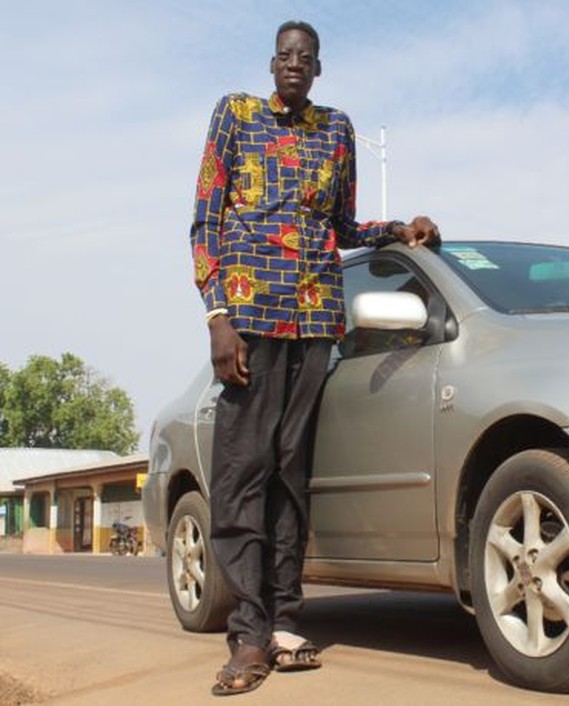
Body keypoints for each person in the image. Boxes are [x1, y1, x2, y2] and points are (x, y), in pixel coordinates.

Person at [189, 20, 439, 696]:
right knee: (243, 474)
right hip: (249, 319)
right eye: (284, 55)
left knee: (290, 474)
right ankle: (247, 635)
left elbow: (345, 227)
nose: (294, 65)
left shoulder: (336, 129)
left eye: (306, 58)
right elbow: (205, 220)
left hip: (315, 320)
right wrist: (218, 316)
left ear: (318, 69)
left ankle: (286, 622)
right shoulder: (236, 115)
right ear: (272, 64)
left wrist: (400, 230)